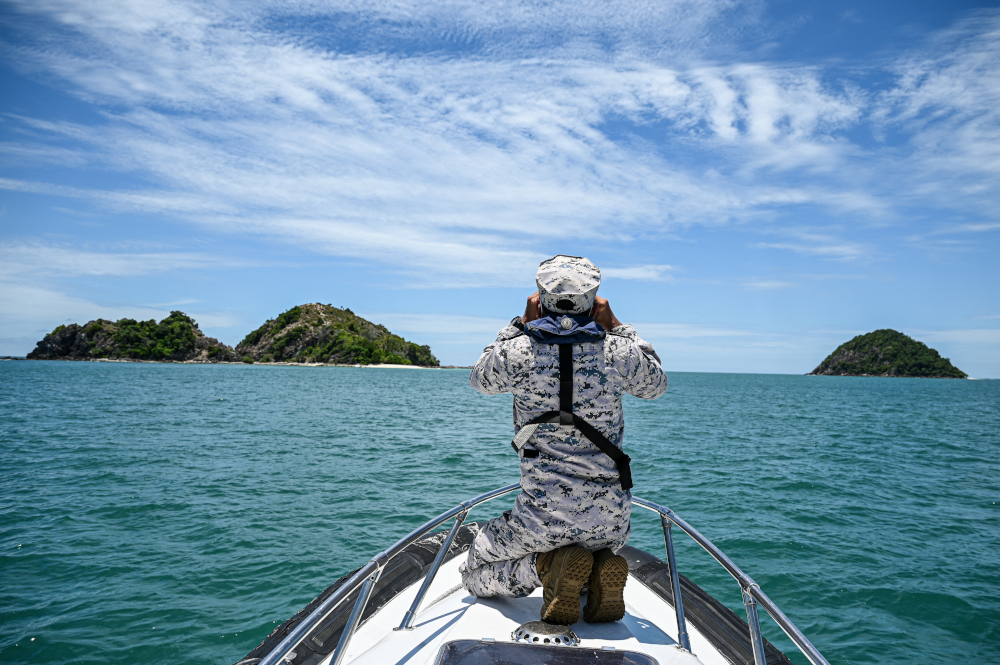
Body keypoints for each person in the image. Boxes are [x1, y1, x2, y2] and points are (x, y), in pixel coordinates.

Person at [460, 255, 668, 625]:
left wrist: (519, 326)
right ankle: (597, 569)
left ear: (539, 297)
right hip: (611, 523)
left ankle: (545, 567)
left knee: (473, 570)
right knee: (583, 560)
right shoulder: (617, 353)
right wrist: (618, 326)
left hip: (540, 521)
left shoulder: (518, 351)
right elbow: (656, 384)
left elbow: (480, 380)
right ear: (595, 298)